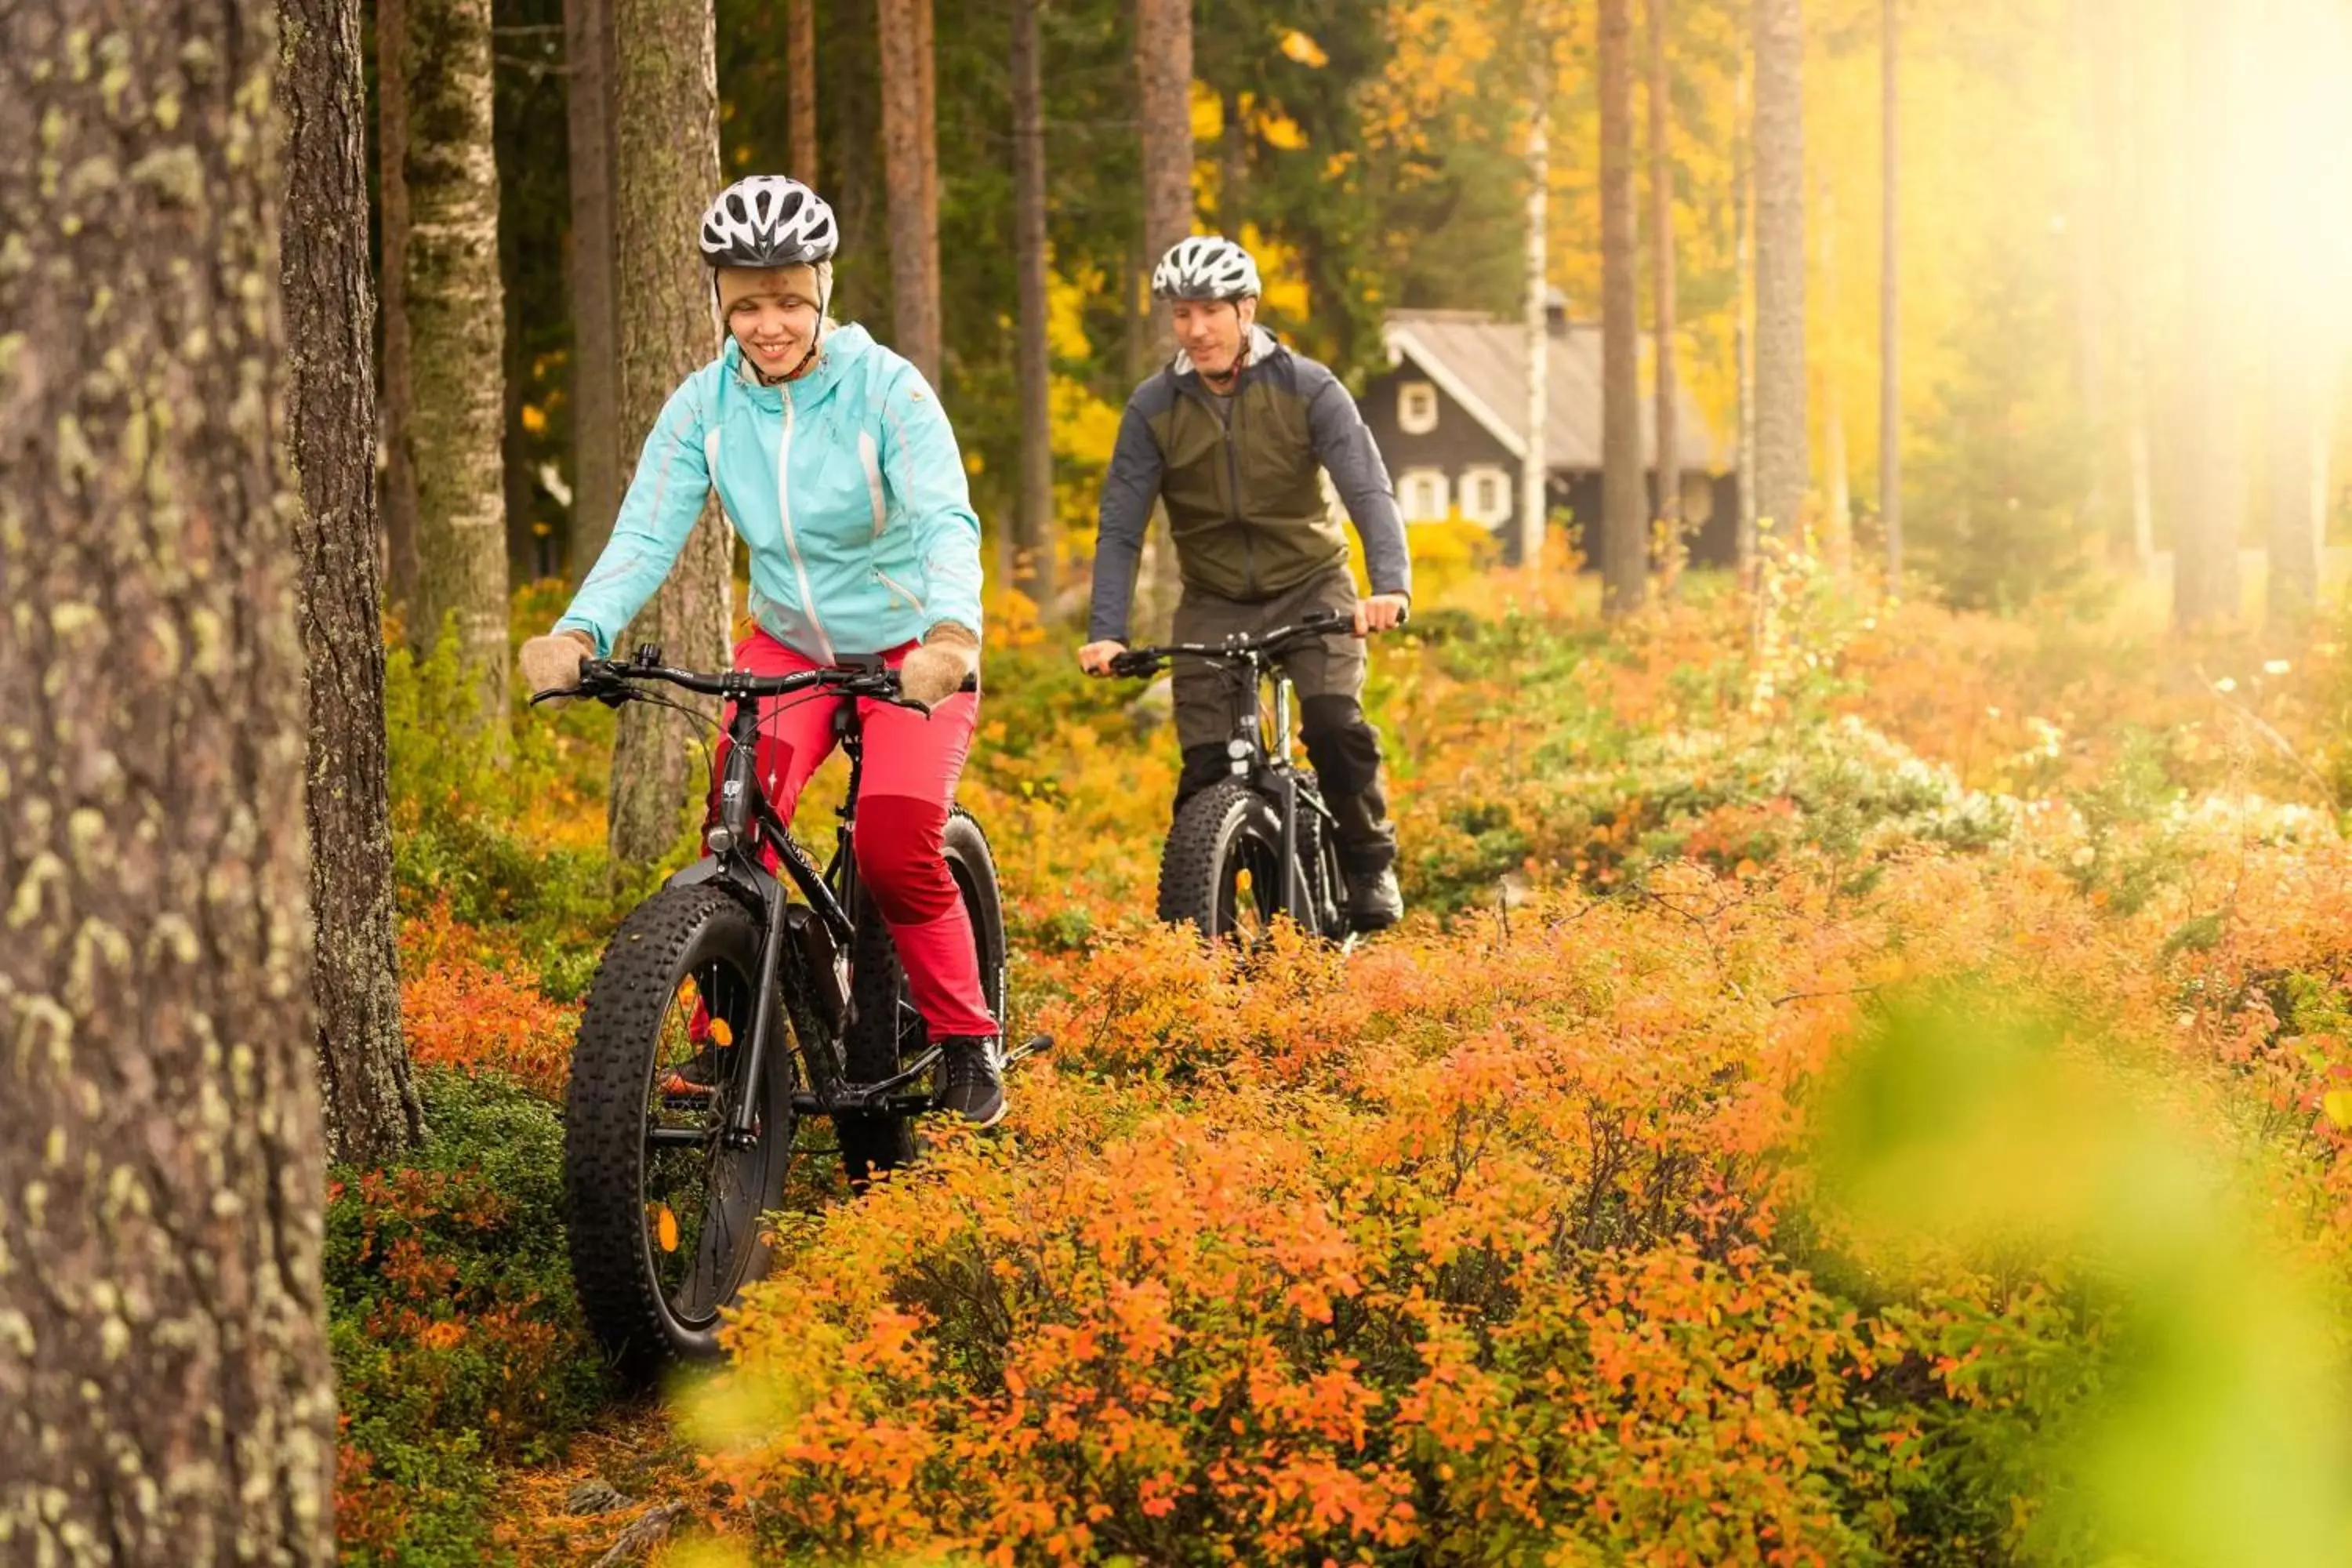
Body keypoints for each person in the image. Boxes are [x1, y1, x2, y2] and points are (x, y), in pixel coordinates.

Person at [517, 176, 1007, 1127]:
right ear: (719, 303)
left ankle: (965, 1037)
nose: (769, 323)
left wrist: (952, 633)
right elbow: (646, 533)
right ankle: (731, 1032)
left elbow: (947, 517)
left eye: (787, 299)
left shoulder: (887, 389)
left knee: (900, 839)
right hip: (789, 644)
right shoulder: (704, 404)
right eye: (747, 304)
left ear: (822, 288)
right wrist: (582, 630)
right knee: (734, 822)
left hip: (914, 650)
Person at [1077, 234, 1411, 931]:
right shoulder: (1153, 408)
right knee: (1205, 771)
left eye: (1210, 312)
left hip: (1312, 585)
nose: (1195, 330)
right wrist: (1107, 630)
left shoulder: (1307, 387)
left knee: (1332, 723)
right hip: (1213, 600)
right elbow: (1120, 528)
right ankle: (1208, 924)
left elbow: (1368, 490)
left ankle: (1367, 859)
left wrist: (1390, 586)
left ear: (1246, 309)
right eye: (1181, 314)